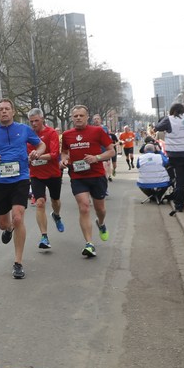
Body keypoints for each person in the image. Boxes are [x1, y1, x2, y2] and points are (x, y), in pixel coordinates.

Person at [0, 99, 45, 280]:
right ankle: (8, 229)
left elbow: (41, 144)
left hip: (20, 179)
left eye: (7, 109)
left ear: (13, 112)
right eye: (1, 109)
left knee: (18, 217)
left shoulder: (24, 129)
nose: (4, 111)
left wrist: (37, 152)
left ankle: (18, 263)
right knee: (4, 223)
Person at [60, 105, 114, 258]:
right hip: (78, 177)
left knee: (100, 209)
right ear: (72, 118)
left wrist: (96, 158)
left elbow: (111, 151)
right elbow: (64, 152)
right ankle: (89, 244)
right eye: (75, 116)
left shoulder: (97, 131)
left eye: (81, 115)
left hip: (97, 176)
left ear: (87, 117)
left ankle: (101, 223)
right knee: (84, 207)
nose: (78, 118)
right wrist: (64, 160)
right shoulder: (67, 135)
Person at [26, 108, 66, 251]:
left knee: (55, 200)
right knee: (40, 203)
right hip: (36, 175)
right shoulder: (28, 135)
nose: (34, 124)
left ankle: (56, 215)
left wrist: (37, 156)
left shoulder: (51, 133)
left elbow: (54, 154)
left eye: (36, 120)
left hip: (53, 173)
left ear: (42, 119)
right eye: (31, 121)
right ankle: (44, 236)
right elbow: (25, 154)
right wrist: (28, 159)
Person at [155, 103, 184, 216]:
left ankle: (179, 205)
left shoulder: (169, 119)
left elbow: (157, 127)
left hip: (176, 154)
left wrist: (165, 118)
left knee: (180, 180)